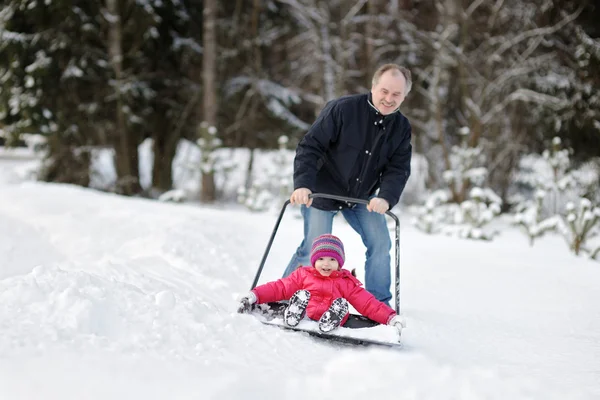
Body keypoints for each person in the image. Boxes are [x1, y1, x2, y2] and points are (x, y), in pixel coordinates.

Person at [284, 63, 413, 305]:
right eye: (384, 91)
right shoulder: (343, 109)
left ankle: (377, 305)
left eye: (396, 94)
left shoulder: (401, 127)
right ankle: (284, 296)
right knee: (312, 248)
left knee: (380, 244)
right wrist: (303, 184)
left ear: (404, 96)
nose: (389, 99)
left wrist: (385, 196)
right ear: (373, 86)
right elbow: (310, 147)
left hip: (362, 197)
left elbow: (398, 168)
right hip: (322, 193)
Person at [238, 234, 405, 334]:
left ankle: (332, 318)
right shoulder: (303, 275)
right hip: (307, 311)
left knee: (340, 306)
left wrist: (390, 317)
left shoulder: (345, 282)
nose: (326, 264)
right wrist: (255, 295)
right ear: (313, 260)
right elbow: (279, 288)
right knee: (300, 296)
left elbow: (367, 303)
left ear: (340, 263)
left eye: (332, 259)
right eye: (321, 259)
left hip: (332, 315)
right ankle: (295, 312)